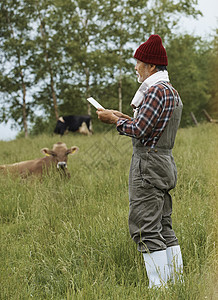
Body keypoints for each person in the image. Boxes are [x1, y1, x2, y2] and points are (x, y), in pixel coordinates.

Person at [96, 34, 183, 288]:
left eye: (139, 62)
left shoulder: (155, 91)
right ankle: (177, 284)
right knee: (163, 225)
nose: (136, 67)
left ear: (152, 66)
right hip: (164, 162)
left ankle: (159, 289)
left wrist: (113, 121)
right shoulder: (171, 91)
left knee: (145, 228)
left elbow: (140, 131)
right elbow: (150, 125)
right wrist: (124, 117)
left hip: (148, 165)